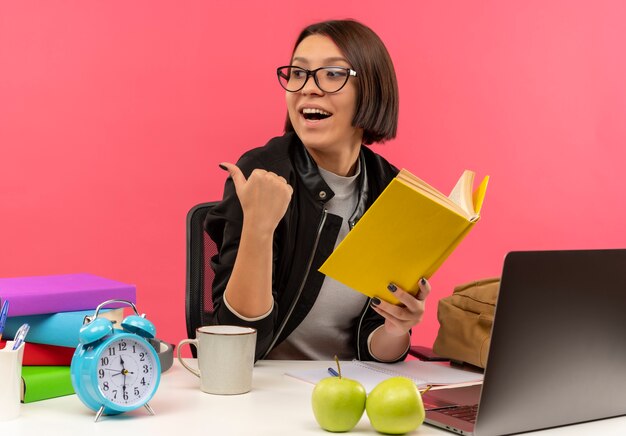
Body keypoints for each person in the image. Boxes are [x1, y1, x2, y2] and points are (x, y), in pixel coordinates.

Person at [204, 19, 430, 362]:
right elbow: (235, 342)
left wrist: (396, 329)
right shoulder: (262, 175)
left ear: (371, 89)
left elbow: (377, 346)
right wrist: (258, 230)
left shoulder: (390, 189)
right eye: (298, 73)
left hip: (350, 390)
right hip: (264, 392)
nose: (308, 88)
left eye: (333, 74)